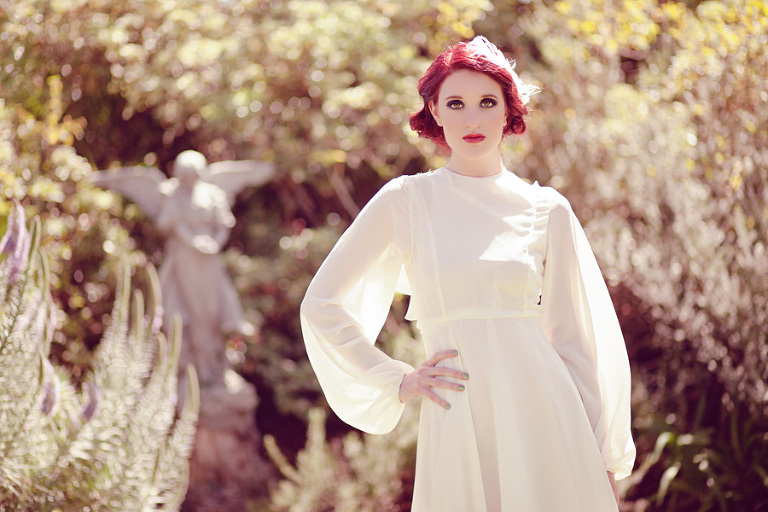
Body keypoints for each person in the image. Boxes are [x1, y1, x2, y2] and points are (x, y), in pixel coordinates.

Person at [300, 36, 635, 511]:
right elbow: (321, 304)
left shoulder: (547, 209)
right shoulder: (407, 201)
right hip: (458, 418)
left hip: (548, 418)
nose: (472, 119)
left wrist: (603, 461)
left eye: (487, 102)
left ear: (509, 110)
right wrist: (396, 379)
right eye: (456, 103)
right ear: (435, 110)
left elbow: (577, 344)